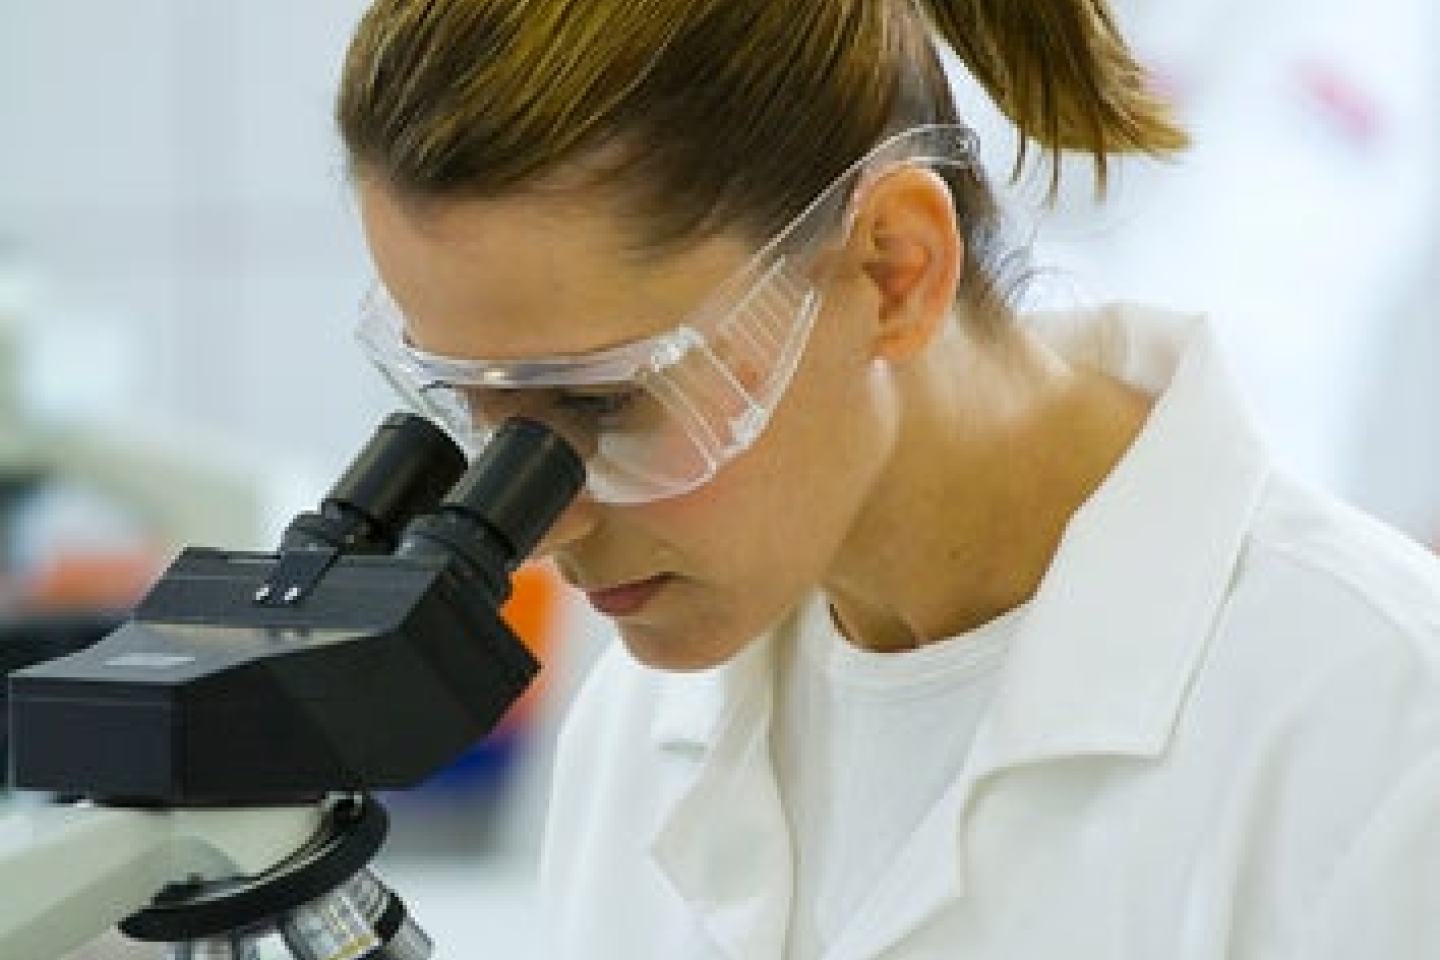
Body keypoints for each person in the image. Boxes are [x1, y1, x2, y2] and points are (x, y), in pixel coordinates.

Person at [334, 1, 1440, 957]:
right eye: (478, 414)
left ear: (894, 270)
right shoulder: (643, 720)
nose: (538, 524)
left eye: (603, 403)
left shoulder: (1383, 731)